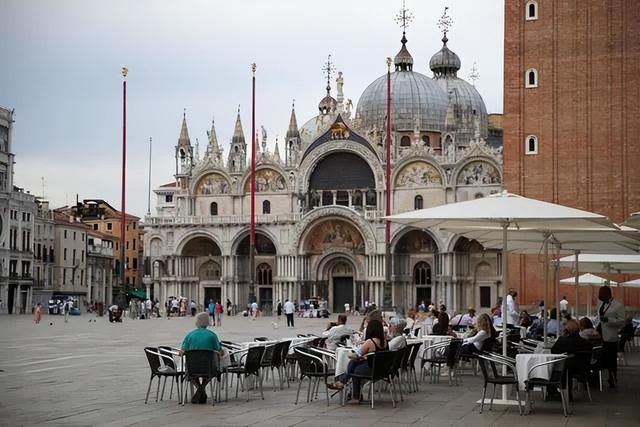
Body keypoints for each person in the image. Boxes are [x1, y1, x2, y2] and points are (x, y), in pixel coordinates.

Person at [333, 319, 388, 403]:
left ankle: (353, 394)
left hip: (372, 370)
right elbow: (377, 356)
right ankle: (342, 382)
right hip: (381, 370)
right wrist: (364, 358)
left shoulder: (370, 342)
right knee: (355, 362)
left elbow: (356, 354)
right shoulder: (385, 342)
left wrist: (349, 353)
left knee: (355, 368)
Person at [181, 312, 222, 404]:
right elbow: (219, 351)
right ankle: (201, 389)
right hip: (208, 367)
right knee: (210, 371)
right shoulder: (212, 335)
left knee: (190, 373)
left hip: (192, 367)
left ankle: (200, 390)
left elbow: (182, 351)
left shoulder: (189, 335)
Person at [596, 286, 624, 388]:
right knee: (601, 357)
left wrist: (609, 320)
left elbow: (621, 321)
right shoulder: (601, 304)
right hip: (600, 335)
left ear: (608, 294)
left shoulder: (618, 305)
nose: (600, 296)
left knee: (611, 359)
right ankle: (596, 378)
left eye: (602, 294)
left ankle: (612, 378)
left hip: (611, 336)